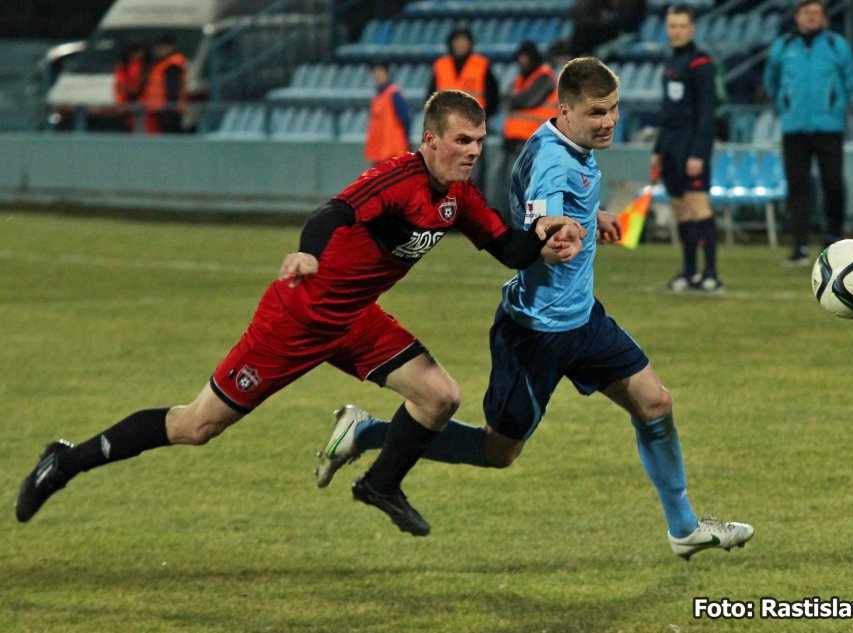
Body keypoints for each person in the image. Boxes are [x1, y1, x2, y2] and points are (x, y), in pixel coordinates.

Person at [14, 90, 586, 534]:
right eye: (462, 140)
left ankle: (381, 484)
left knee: (439, 396)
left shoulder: (459, 198)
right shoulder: (397, 180)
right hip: (297, 320)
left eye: (480, 141)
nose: (474, 151)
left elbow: (508, 250)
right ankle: (65, 462)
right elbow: (331, 214)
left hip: (355, 320)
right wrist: (309, 253)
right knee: (195, 427)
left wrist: (548, 232)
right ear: (431, 140)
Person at [316, 58, 754, 560]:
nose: (609, 121)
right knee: (498, 451)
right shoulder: (553, 161)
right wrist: (557, 236)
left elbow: (553, 204)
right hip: (535, 333)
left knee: (655, 404)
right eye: (596, 112)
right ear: (565, 111)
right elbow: (545, 217)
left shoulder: (563, 143)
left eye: (614, 109)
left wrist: (590, 215)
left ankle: (684, 528)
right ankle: (366, 432)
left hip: (582, 320)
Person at [764, 0, 853, 266]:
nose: (811, 17)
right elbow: (771, 80)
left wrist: (835, 107)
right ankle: (799, 247)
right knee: (797, 187)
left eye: (815, 13)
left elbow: (849, 82)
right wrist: (786, 105)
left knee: (833, 183)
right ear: (797, 17)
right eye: (806, 13)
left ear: (824, 18)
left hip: (829, 127)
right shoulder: (783, 46)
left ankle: (834, 239)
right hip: (794, 128)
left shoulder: (837, 45)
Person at [651, 5, 722, 293]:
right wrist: (658, 149)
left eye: (681, 26)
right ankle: (690, 271)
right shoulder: (671, 62)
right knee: (681, 210)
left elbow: (707, 113)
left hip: (691, 145)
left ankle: (712, 274)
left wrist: (698, 153)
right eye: (672, 26)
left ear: (692, 28)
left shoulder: (701, 63)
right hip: (670, 146)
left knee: (698, 206)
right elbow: (667, 111)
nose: (676, 31)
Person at [428, 25, 499, 192]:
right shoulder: (440, 66)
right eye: (457, 41)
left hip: (473, 130)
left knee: (475, 172)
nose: (460, 45)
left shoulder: (481, 65)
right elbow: (431, 98)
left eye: (463, 41)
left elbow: (493, 97)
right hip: (446, 131)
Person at [498, 40, 558, 208]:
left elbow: (528, 100)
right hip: (514, 142)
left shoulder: (545, 76)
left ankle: (533, 222)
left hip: (535, 143)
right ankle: (513, 222)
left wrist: (513, 100)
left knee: (532, 188)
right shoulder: (520, 79)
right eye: (520, 57)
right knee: (511, 188)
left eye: (526, 57)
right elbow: (506, 99)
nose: (522, 61)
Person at [365, 61, 412, 166]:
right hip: (380, 153)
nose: (377, 77)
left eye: (380, 73)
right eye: (375, 74)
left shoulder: (394, 94)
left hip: (393, 152)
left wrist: (406, 143)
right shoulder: (377, 96)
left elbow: (406, 119)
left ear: (387, 74)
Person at [140, 33, 187, 134]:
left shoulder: (172, 65)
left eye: (162, 47)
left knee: (169, 138)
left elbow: (173, 90)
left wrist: (170, 111)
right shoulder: (163, 63)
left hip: (168, 112)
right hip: (160, 110)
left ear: (170, 47)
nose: (159, 50)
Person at [113, 38, 149, 132]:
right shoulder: (124, 67)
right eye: (134, 51)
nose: (136, 55)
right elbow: (121, 87)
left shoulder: (148, 66)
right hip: (130, 107)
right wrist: (122, 104)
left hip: (144, 109)